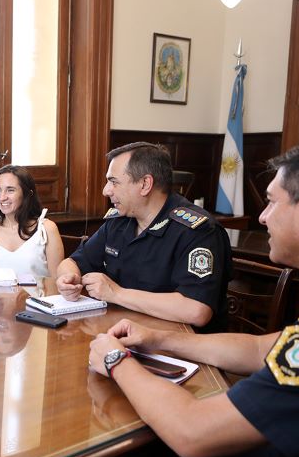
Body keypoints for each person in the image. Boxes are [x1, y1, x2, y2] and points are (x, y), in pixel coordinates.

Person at [88, 134, 299, 457]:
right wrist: (159, 339)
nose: (262, 216)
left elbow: (193, 431)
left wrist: (116, 361)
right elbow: (260, 347)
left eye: (271, 202)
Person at [56, 142, 231, 332]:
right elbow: (73, 261)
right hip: (122, 333)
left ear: (145, 184)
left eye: (114, 182)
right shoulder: (119, 221)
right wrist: (68, 280)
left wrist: (117, 294)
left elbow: (197, 310)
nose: (106, 191)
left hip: (179, 347)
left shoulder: (197, 231)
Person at [0, 165, 64, 279]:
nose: (2, 197)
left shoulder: (47, 229)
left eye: (10, 190)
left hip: (39, 297)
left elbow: (57, 283)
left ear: (27, 193)